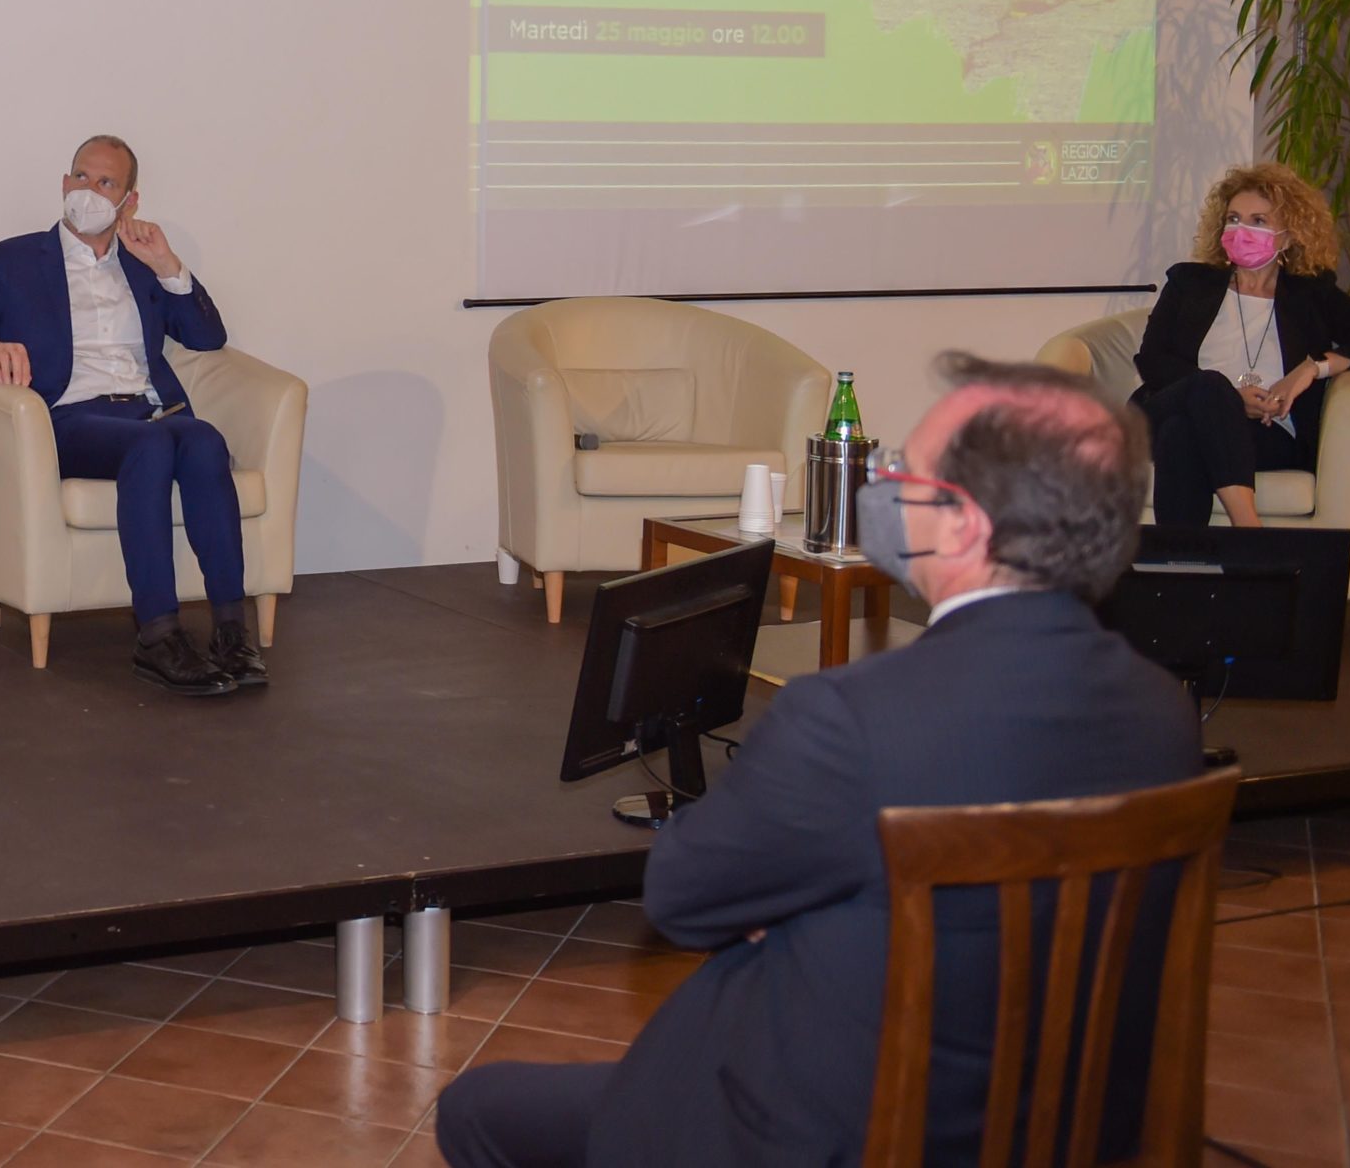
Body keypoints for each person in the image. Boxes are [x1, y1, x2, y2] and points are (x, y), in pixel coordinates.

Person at [437, 354, 1200, 1168]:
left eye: (906, 471)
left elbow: (685, 899)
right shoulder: (1160, 711)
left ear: (963, 525)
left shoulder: (849, 719)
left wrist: (794, 899)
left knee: (476, 1111)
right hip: (1059, 1129)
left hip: (823, 1133)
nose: (884, 485)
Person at [0, 135, 262, 696]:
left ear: (129, 201)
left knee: (204, 439)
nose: (88, 190)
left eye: (106, 183)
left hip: (148, 413)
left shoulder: (141, 266)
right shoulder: (14, 260)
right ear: (64, 184)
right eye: (80, 177)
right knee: (153, 446)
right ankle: (158, 635)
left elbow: (207, 336)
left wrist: (167, 265)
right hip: (70, 421)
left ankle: (232, 632)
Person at [1132, 161, 1350, 526]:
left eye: (1258, 221)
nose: (1241, 229)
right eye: (1233, 219)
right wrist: (1231, 398)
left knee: (1180, 435)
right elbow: (1152, 359)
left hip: (1267, 434)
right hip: (1168, 407)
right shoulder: (1189, 283)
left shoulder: (1311, 294)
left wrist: (1312, 368)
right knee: (1209, 387)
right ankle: (1249, 530)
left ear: (1289, 236)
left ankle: (1186, 560)